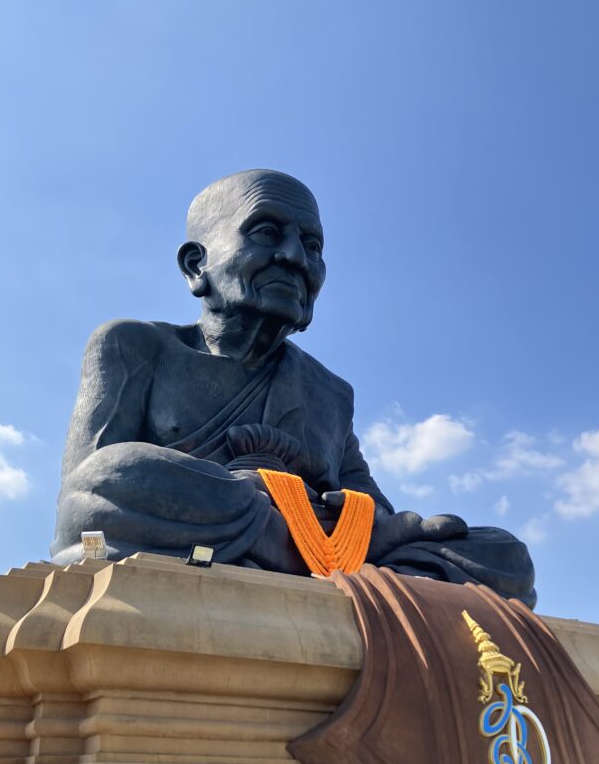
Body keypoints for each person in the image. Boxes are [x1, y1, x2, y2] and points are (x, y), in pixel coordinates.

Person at [51, 170, 535, 607]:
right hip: (210, 519)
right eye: (266, 233)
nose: (295, 258)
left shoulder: (330, 392)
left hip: (312, 545)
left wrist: (390, 526)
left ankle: (269, 556)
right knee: (118, 473)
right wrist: (255, 496)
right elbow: (84, 498)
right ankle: (278, 551)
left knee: (504, 554)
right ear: (197, 266)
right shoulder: (135, 346)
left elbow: (372, 510)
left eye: (313, 246)